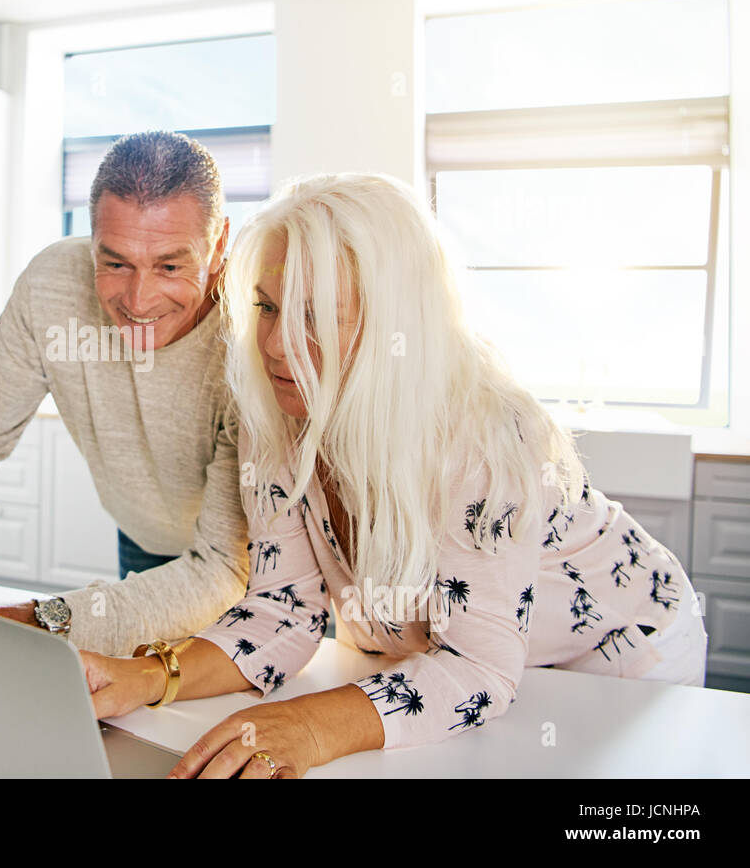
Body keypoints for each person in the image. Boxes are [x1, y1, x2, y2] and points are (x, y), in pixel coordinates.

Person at [81, 172, 709, 778]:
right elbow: (280, 611)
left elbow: (477, 668)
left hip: (614, 656)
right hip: (437, 665)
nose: (275, 346)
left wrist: (306, 727)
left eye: (317, 315)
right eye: (266, 308)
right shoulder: (280, 406)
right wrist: (150, 674)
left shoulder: (486, 431)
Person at [0, 131, 249, 654]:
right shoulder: (53, 286)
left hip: (244, 566)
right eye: (115, 262)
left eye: (170, 265)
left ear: (220, 241)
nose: (139, 301)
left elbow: (223, 568)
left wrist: (35, 621)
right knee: (136, 715)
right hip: (143, 542)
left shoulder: (253, 334)